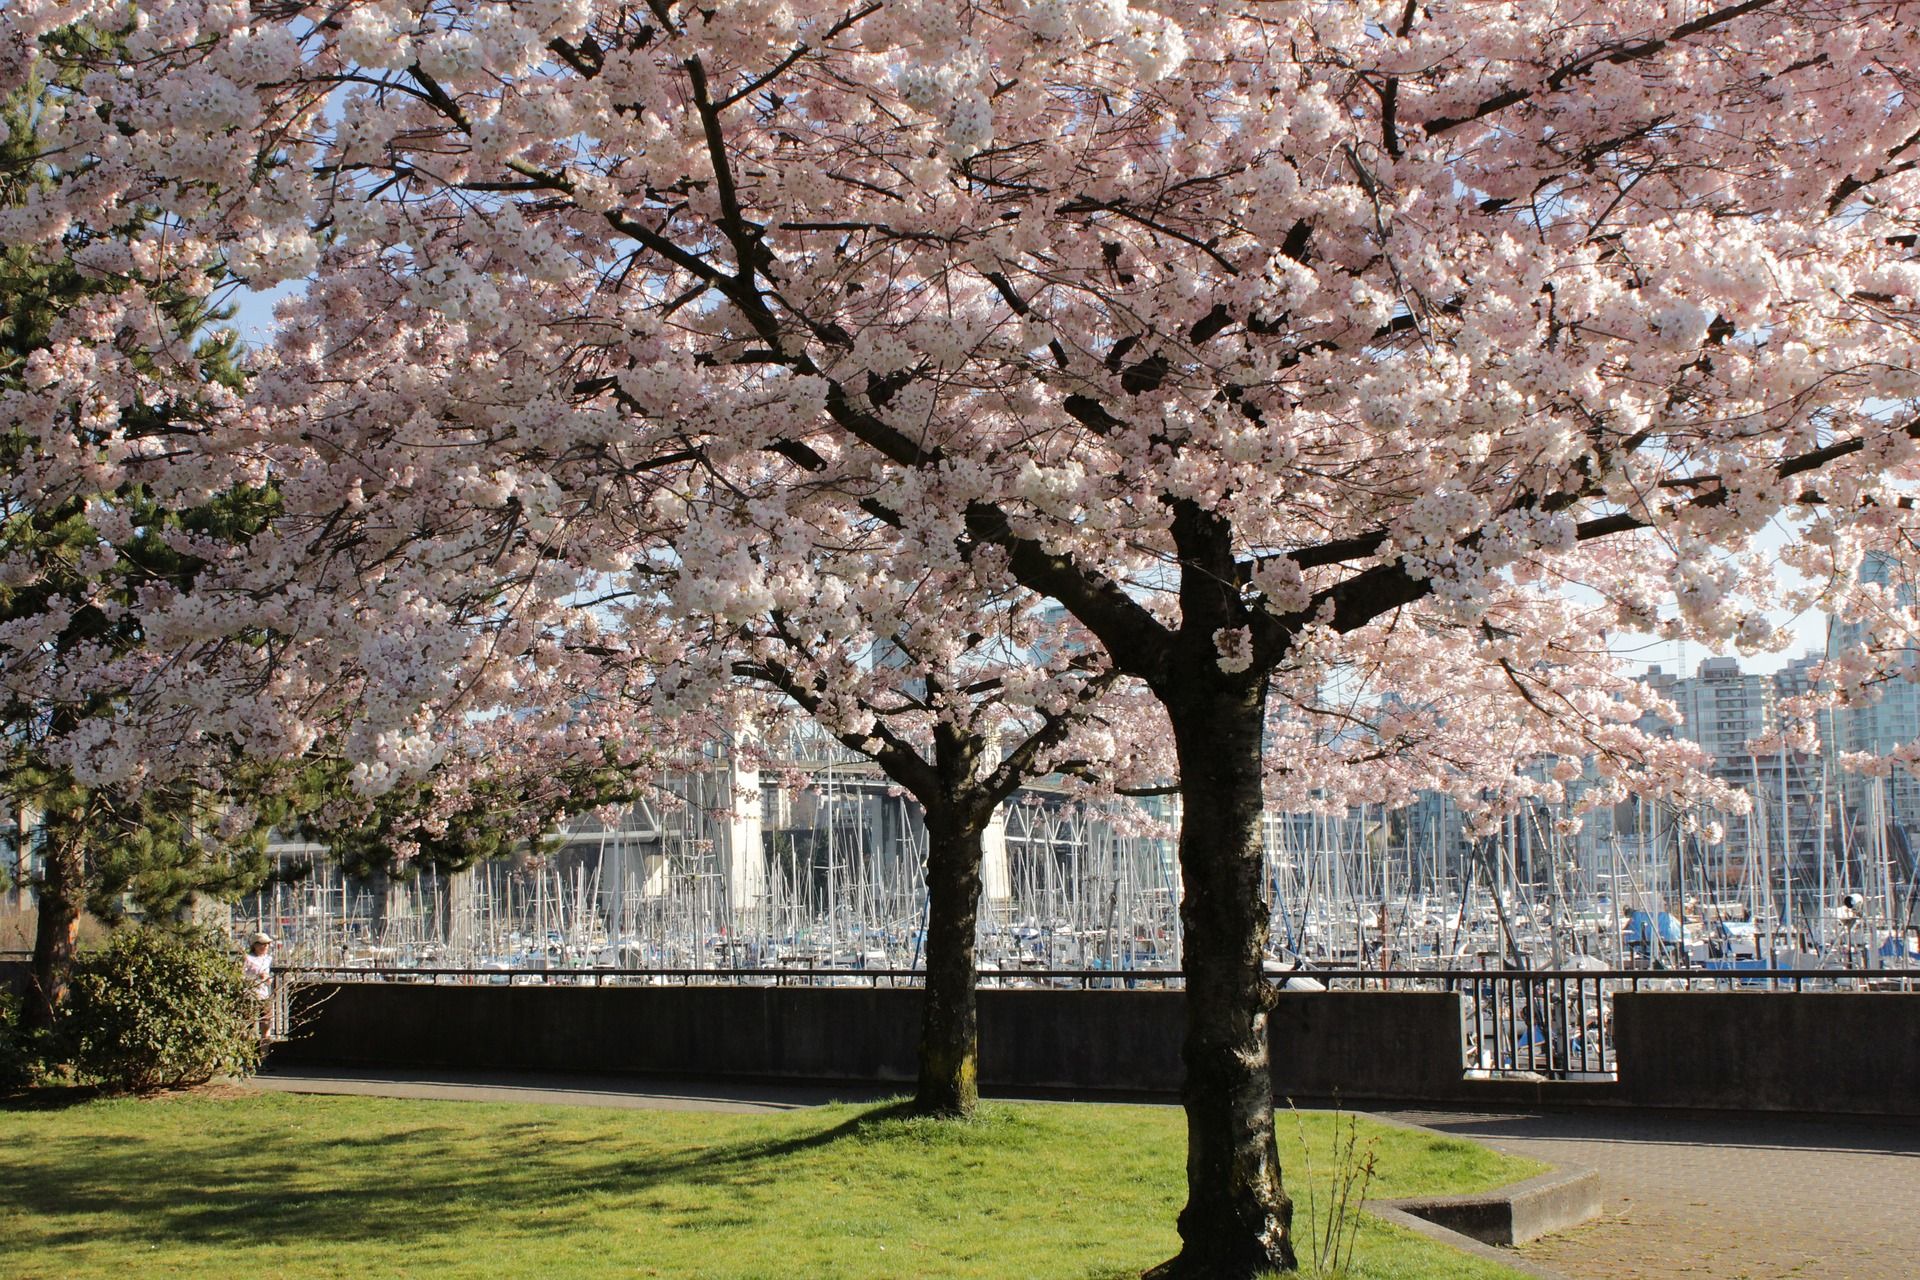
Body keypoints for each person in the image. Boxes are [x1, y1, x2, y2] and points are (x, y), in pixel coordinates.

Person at [243, 932, 274, 1039]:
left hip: (264, 995)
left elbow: (267, 975)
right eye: (262, 944)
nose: (266, 946)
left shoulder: (268, 958)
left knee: (266, 1025)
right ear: (255, 945)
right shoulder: (247, 958)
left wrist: (268, 979)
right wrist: (256, 976)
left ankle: (264, 1055)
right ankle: (247, 1051)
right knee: (248, 1027)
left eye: (267, 944)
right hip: (249, 995)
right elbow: (241, 976)